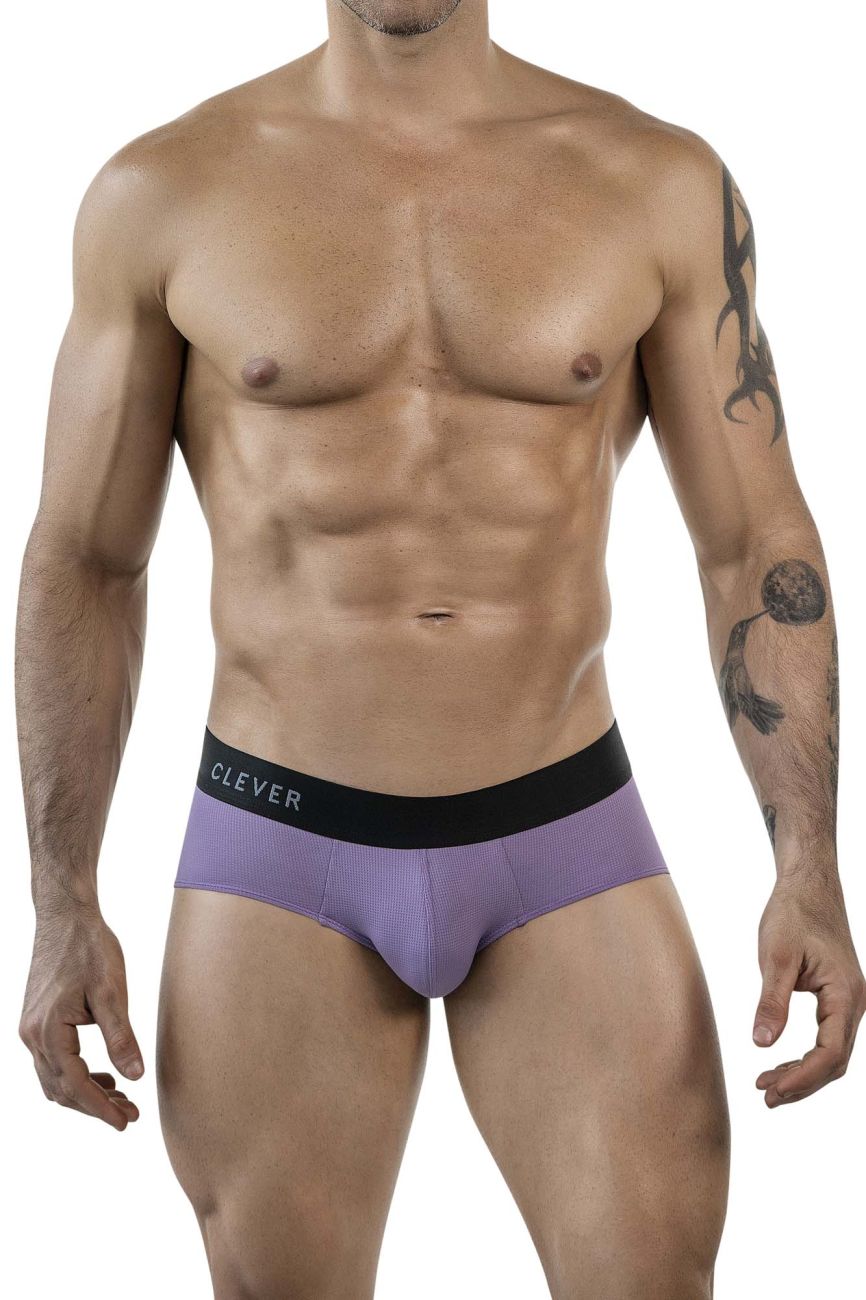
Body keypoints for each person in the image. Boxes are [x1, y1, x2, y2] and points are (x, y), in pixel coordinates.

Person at [15, 2, 865, 1297]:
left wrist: (808, 862)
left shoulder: (654, 181)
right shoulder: (163, 192)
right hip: (277, 848)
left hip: (563, 832)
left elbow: (753, 546)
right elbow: (85, 560)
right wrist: (61, 900)